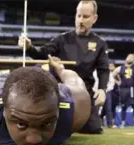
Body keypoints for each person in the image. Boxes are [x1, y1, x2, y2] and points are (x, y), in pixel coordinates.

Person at [0, 53, 91, 145]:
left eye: (47, 123)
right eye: (21, 124)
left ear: (58, 111)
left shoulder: (78, 109)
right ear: (4, 111)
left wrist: (59, 68)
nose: (34, 140)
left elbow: (72, 77)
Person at [18, 0, 109, 134]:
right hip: (61, 89)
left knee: (93, 128)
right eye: (78, 16)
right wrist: (29, 47)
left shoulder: (100, 44)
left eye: (85, 16)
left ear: (94, 18)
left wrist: (102, 90)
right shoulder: (62, 39)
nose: (80, 20)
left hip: (84, 90)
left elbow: (103, 70)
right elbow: (42, 54)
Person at [112, 53, 134, 128]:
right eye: (129, 57)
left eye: (132, 57)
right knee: (123, 106)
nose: (130, 58)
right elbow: (112, 76)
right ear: (126, 58)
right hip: (123, 89)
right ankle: (122, 123)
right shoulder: (120, 68)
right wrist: (118, 82)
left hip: (133, 88)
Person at [97, 62, 116, 128]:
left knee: (108, 108)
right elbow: (95, 82)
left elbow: (112, 82)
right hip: (97, 91)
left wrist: (107, 89)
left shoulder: (109, 73)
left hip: (107, 92)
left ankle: (110, 124)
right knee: (96, 108)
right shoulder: (95, 72)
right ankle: (97, 124)